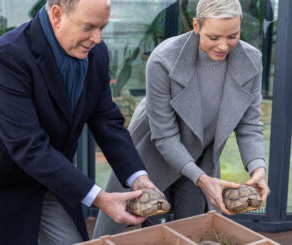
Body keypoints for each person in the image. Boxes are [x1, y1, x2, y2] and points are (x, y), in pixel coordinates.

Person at [0, 0, 158, 244]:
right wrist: (101, 199)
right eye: (88, 27)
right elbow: (29, 146)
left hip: (53, 177)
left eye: (102, 28)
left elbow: (106, 120)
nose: (97, 39)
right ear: (57, 15)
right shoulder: (6, 57)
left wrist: (138, 177)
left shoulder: (96, 54)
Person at [93, 0, 271, 238]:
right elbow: (165, 136)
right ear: (196, 26)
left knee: (192, 229)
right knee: (147, 227)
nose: (223, 45)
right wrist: (203, 179)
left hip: (200, 157)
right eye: (214, 36)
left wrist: (258, 168)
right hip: (152, 150)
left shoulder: (251, 61)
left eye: (232, 36)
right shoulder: (163, 59)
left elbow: (249, 124)